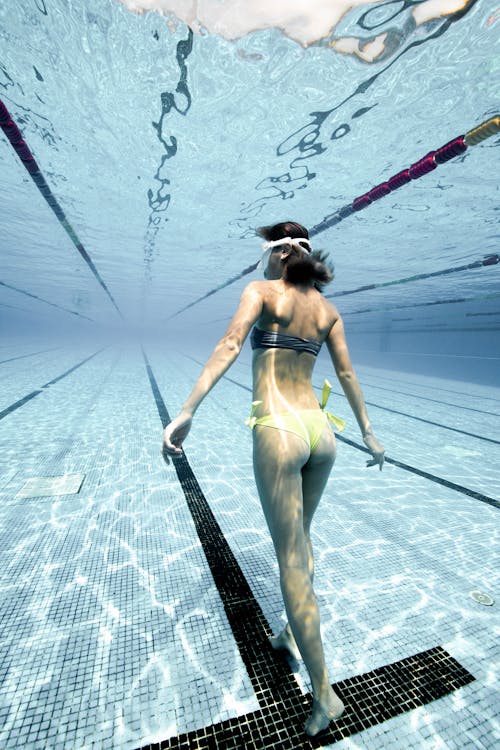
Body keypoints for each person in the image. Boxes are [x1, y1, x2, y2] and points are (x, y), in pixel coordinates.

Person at [162, 221, 385, 737]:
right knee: (301, 540)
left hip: (279, 431)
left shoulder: (262, 291)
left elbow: (231, 343)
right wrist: (370, 433)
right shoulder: (327, 311)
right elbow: (348, 375)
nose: (261, 264)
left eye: (265, 254)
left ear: (282, 254)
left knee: (290, 562)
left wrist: (188, 410)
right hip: (321, 435)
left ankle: (325, 692)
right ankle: (289, 632)